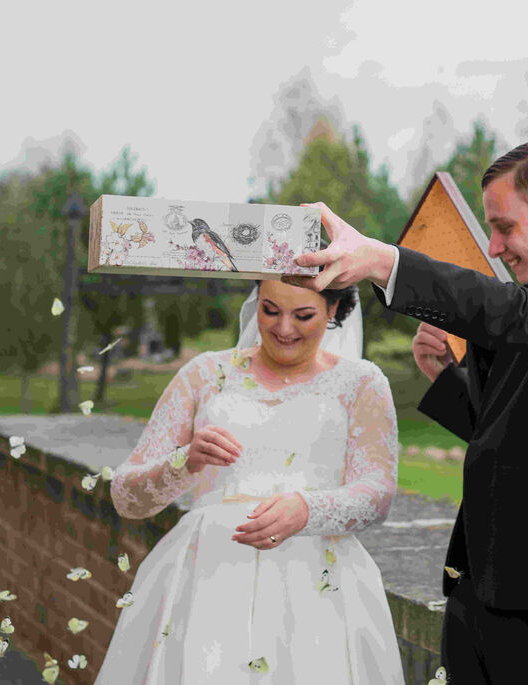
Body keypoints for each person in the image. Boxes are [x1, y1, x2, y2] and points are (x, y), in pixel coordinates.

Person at [282, 140, 528, 684]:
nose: (494, 246)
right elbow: (501, 432)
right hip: (477, 590)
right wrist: (446, 377)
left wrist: (382, 261)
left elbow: (513, 311)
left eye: (505, 227)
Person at [97, 270, 405, 684]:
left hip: (319, 590)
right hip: (207, 582)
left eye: (303, 315)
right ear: (255, 301)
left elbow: (378, 492)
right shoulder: (203, 374)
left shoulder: (362, 382)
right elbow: (125, 497)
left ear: (333, 309)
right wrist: (183, 461)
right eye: (270, 310)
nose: (283, 328)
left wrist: (308, 510)